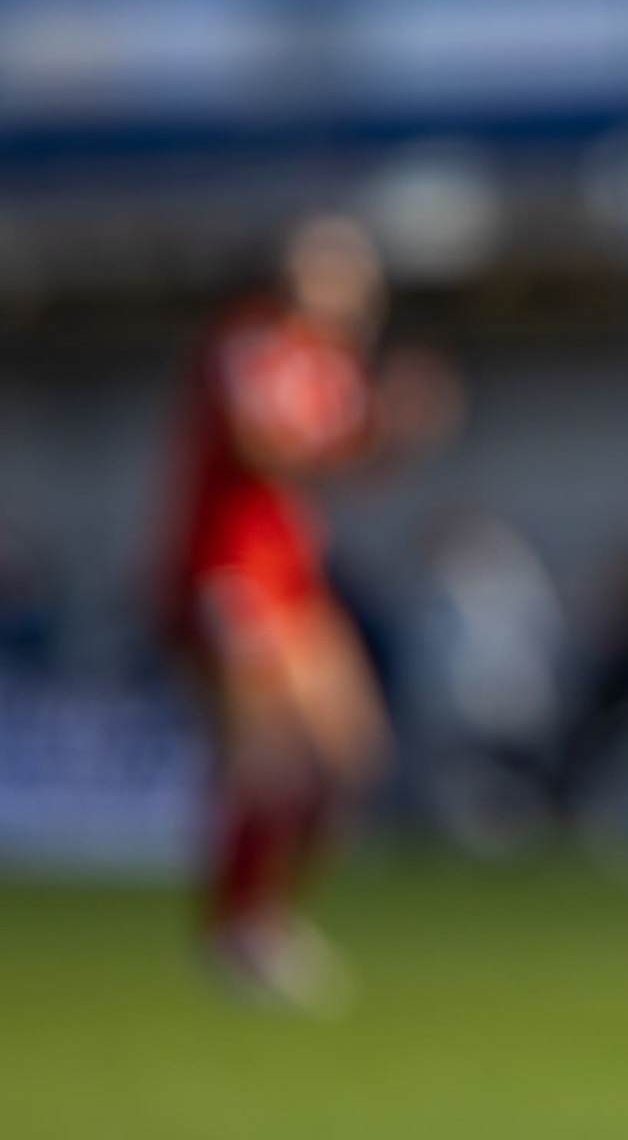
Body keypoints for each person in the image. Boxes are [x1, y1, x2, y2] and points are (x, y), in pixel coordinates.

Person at [159, 212, 458, 1009]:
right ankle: (240, 930)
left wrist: (398, 433)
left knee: (350, 756)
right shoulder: (251, 344)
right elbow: (263, 445)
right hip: (229, 572)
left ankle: (263, 917)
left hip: (291, 576)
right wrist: (366, 431)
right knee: (267, 754)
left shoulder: (334, 365)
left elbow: (348, 462)